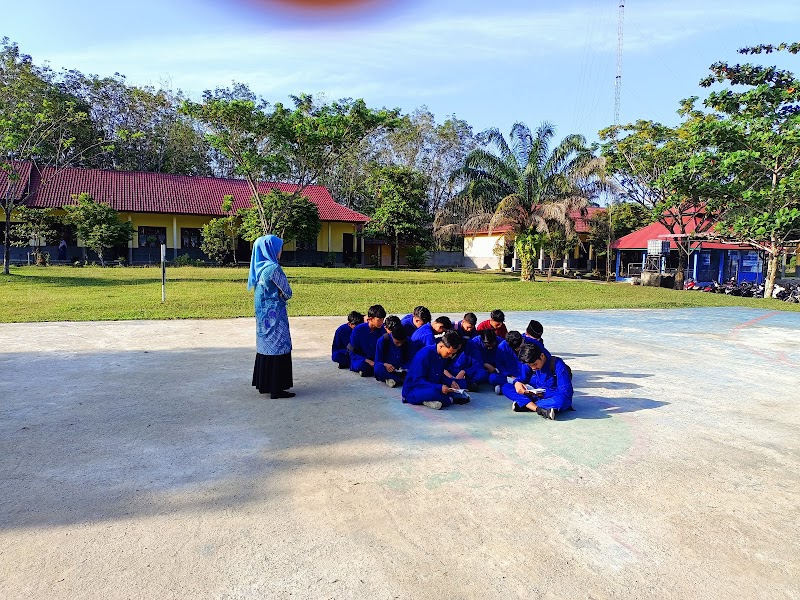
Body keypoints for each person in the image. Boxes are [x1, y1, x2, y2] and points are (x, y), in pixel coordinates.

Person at [249, 235, 295, 399]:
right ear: (272, 249)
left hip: (263, 317)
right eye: (279, 247)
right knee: (279, 347)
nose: (281, 250)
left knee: (265, 347)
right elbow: (288, 292)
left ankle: (266, 384)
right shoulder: (274, 268)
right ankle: (277, 388)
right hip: (276, 316)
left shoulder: (258, 268)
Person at [501, 343, 573, 420]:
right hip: (535, 393)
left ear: (542, 356)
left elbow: (566, 392)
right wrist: (517, 383)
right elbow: (522, 378)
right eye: (530, 366)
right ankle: (539, 409)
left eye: (535, 364)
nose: (533, 368)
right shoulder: (529, 362)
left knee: (562, 401)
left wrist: (544, 394)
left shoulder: (557, 365)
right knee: (506, 387)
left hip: (552, 396)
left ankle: (527, 405)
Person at [402, 330, 469, 410]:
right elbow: (418, 381)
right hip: (414, 389)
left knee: (461, 383)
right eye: (448, 353)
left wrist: (450, 382)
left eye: (452, 354)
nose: (450, 356)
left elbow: (439, 374)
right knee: (435, 392)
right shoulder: (424, 355)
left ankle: (441, 398)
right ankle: (444, 399)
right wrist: (439, 387)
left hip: (432, 383)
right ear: (441, 346)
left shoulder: (443, 355)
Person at [374, 319, 419, 388]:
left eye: (402, 342)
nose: (400, 345)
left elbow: (411, 360)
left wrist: (404, 368)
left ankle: (394, 379)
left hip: (403, 369)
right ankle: (401, 380)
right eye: (397, 342)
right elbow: (378, 361)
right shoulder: (383, 341)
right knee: (378, 369)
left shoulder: (409, 342)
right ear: (392, 336)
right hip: (388, 368)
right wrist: (385, 364)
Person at [349, 304, 386, 377]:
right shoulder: (358, 330)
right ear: (370, 319)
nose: (382, 322)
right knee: (363, 366)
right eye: (379, 320)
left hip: (377, 359)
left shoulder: (383, 330)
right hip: (362, 359)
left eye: (383, 320)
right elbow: (352, 352)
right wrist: (367, 360)